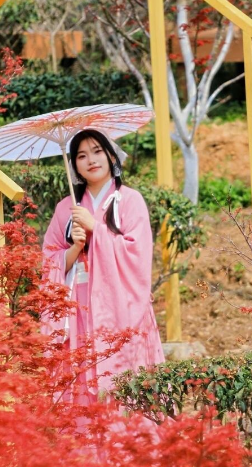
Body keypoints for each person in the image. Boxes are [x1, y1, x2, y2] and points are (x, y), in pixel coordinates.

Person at [42, 128, 164, 404]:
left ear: (111, 156)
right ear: (74, 165)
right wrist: (74, 248)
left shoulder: (130, 200)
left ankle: (128, 430)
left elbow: (137, 253)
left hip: (119, 302)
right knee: (80, 376)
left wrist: (95, 228)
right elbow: (49, 260)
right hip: (78, 305)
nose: (91, 160)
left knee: (122, 376)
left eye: (97, 151)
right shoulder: (66, 208)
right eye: (81, 155)